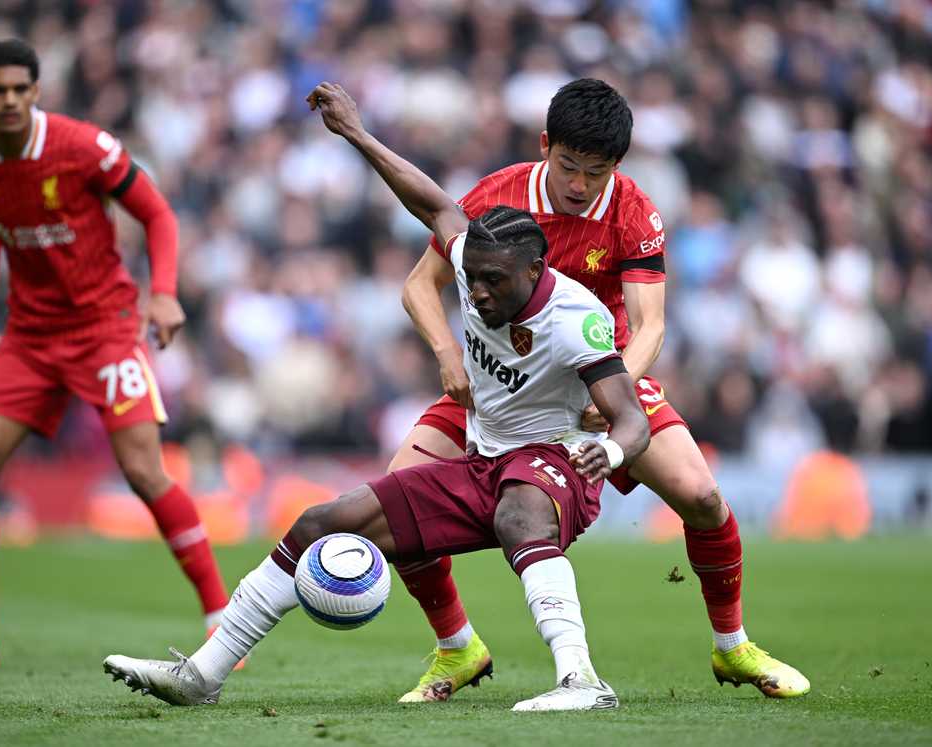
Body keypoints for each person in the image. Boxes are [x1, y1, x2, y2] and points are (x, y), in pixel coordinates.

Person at [100, 83, 652, 712]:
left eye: (495, 284)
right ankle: (203, 674)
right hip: (484, 462)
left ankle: (582, 681)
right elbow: (431, 204)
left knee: (520, 514)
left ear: (534, 273)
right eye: (473, 281)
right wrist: (357, 135)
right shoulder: (482, 260)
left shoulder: (575, 316)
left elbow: (630, 419)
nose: (479, 296)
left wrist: (606, 454)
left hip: (556, 465)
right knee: (318, 523)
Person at [378, 78, 810, 701]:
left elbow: (651, 324)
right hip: (498, 380)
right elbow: (421, 285)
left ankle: (732, 647)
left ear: (618, 165)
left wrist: (612, 391)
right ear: (545, 145)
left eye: (597, 171)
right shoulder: (497, 196)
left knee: (703, 497)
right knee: (398, 501)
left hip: (598, 378)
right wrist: (448, 356)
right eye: (569, 166)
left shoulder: (634, 211)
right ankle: (456, 648)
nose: (580, 185)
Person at [0, 39, 228, 673]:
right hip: (29, 336)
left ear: (36, 91)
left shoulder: (83, 147)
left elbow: (158, 214)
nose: (8, 101)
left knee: (143, 471)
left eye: (19, 90)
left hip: (105, 328)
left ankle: (222, 619)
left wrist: (162, 295)